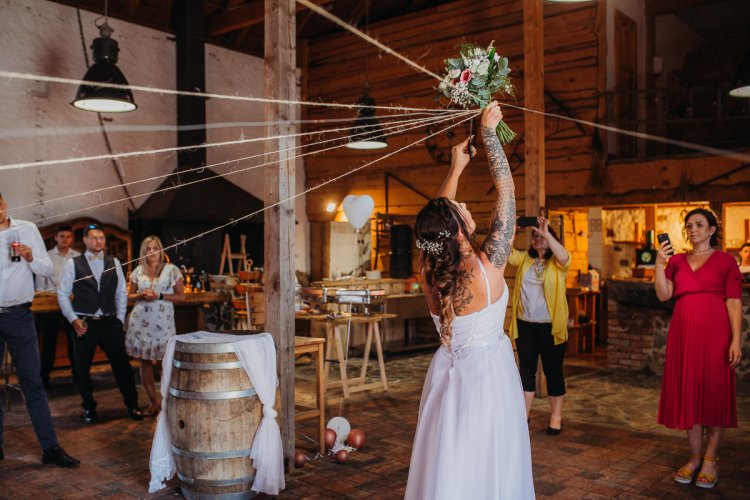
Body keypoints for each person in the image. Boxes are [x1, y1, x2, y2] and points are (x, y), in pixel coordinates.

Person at [405, 102, 534, 499]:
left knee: (452, 453)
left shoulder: (430, 269)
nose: (464, 204)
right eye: (461, 208)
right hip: (488, 376)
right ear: (458, 227)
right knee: (488, 457)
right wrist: (491, 135)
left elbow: (437, 222)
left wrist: (456, 168)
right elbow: (508, 195)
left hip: (448, 372)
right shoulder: (486, 267)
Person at [655, 208, 742, 489]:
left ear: (712, 230)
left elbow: (733, 302)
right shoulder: (677, 261)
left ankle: (711, 459)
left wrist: (736, 339)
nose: (693, 230)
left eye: (700, 225)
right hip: (684, 336)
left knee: (714, 394)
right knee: (690, 395)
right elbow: (663, 293)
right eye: (689, 226)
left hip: (716, 336)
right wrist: (659, 263)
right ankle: (694, 457)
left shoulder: (726, 261)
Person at [0, 192, 79, 467]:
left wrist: (32, 256)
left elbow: (46, 269)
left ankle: (50, 448)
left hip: (20, 316)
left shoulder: (27, 229)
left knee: (32, 382)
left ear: (4, 203)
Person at [57, 223, 143, 424]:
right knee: (82, 369)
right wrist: (73, 319)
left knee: (122, 366)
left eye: (101, 238)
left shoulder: (114, 262)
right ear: (85, 240)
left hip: (110, 322)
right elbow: (61, 293)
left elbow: (121, 292)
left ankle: (132, 404)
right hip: (84, 323)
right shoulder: (73, 263)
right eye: (94, 238)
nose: (99, 241)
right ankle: (89, 407)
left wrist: (120, 319)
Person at [507, 217, 569, 434]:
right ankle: (524, 415)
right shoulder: (525, 259)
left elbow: (563, 255)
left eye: (542, 236)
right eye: (535, 236)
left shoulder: (558, 264)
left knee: (553, 372)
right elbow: (505, 251)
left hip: (551, 327)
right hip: (525, 326)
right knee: (526, 371)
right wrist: (511, 229)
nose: (538, 239)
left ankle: (556, 417)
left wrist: (546, 231)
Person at [125, 236, 184, 416]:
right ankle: (153, 402)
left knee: (164, 362)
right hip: (141, 321)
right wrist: (141, 294)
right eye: (148, 249)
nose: (151, 252)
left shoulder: (172, 270)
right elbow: (129, 296)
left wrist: (159, 296)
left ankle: (168, 402)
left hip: (162, 323)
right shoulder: (137, 271)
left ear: (161, 250)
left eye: (155, 248)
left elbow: (181, 297)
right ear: (143, 252)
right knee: (144, 362)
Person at [35, 225, 81, 388]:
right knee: (49, 342)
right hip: (50, 306)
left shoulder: (77, 257)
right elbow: (40, 286)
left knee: (75, 342)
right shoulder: (46, 257)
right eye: (62, 236)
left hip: (72, 305)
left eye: (68, 236)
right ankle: (44, 377)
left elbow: (81, 282)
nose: (65, 239)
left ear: (72, 239)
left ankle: (78, 375)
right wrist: (50, 297)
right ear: (55, 238)